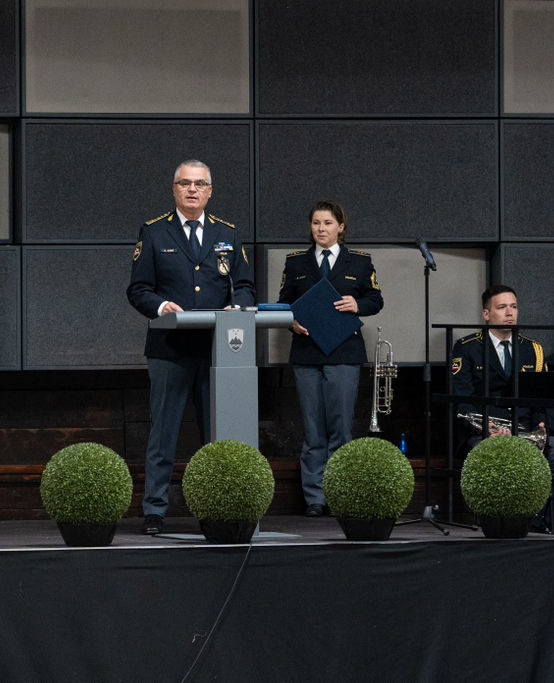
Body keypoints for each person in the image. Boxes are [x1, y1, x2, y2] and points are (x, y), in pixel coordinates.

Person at [126, 160, 255, 535]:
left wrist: (238, 306)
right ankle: (154, 511)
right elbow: (138, 290)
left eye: (200, 184)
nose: (193, 190)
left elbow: (244, 285)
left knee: (216, 437)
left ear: (210, 191)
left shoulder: (227, 233)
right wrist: (162, 306)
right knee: (163, 435)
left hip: (217, 351)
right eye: (185, 183)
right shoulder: (153, 233)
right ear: (175, 189)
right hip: (170, 347)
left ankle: (216, 508)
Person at [276, 201, 383, 517]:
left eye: (327, 223)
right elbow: (284, 304)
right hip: (308, 352)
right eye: (315, 223)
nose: (320, 228)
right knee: (313, 429)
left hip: (344, 352)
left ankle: (340, 493)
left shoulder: (360, 263)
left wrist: (357, 304)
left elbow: (375, 299)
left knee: (340, 428)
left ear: (341, 227)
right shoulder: (296, 263)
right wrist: (290, 321)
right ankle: (315, 499)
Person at [452, 285, 554, 505]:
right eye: (502, 307)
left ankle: (534, 520)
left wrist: (542, 426)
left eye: (514, 306)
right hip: (487, 432)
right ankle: (498, 523)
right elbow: (462, 403)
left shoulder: (533, 348)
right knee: (495, 459)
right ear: (486, 314)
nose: (510, 313)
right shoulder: (466, 348)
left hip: (527, 428)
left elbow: (543, 398)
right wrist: (487, 430)